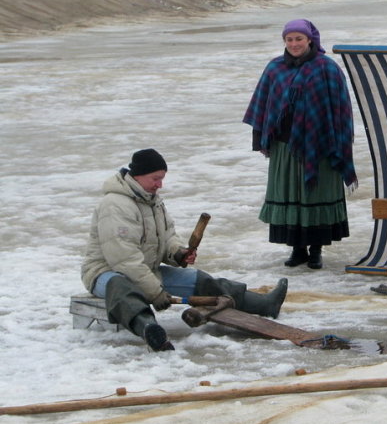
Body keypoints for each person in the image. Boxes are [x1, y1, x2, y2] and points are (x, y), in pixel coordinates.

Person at [81, 149, 288, 351]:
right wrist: (155, 293)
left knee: (199, 280)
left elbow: (167, 236)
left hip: (145, 271)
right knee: (123, 287)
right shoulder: (115, 205)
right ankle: (148, 328)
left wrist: (178, 253)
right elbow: (124, 260)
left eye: (161, 179)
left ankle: (263, 304)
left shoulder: (152, 201)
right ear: (138, 175)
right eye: (155, 178)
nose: (159, 185)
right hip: (106, 273)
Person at [243, 19, 357, 270]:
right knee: (292, 195)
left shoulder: (327, 68)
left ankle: (316, 251)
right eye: (289, 39)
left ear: (310, 40)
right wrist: (261, 139)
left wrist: (340, 143)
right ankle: (297, 249)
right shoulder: (275, 68)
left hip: (321, 147)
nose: (294, 44)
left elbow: (342, 110)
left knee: (315, 194)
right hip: (286, 146)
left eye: (299, 39)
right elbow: (262, 106)